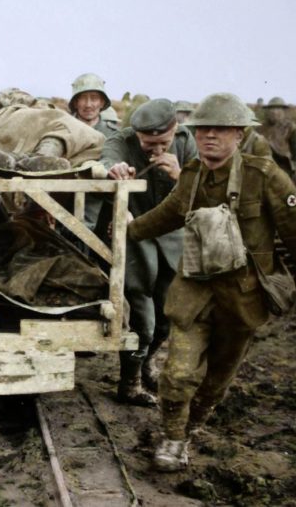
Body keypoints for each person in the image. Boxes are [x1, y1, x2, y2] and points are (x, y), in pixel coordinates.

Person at [125, 92, 296, 471]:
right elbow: (169, 213)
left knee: (216, 383)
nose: (209, 137)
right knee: (177, 373)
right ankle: (172, 438)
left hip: (243, 298)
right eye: (203, 129)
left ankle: (190, 432)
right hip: (194, 291)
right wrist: (130, 230)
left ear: (239, 134)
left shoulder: (264, 176)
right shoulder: (191, 175)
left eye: (220, 130)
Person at [101, 99, 198, 406]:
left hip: (171, 236)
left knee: (167, 313)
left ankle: (147, 364)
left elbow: (203, 185)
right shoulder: (122, 139)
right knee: (142, 311)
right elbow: (107, 160)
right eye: (148, 144)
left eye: (162, 143)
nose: (155, 150)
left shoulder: (185, 142)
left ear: (176, 130)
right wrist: (113, 171)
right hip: (135, 232)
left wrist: (180, 175)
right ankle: (129, 382)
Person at [261, 96, 296, 177]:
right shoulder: (260, 127)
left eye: (277, 109)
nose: (274, 112)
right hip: (263, 163)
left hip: (283, 164)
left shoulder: (290, 127)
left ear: (283, 111)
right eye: (271, 109)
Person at [69, 72, 117, 137]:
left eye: (94, 98)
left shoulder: (114, 134)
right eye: (83, 98)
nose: (88, 105)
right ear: (75, 103)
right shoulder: (64, 131)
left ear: (102, 103)